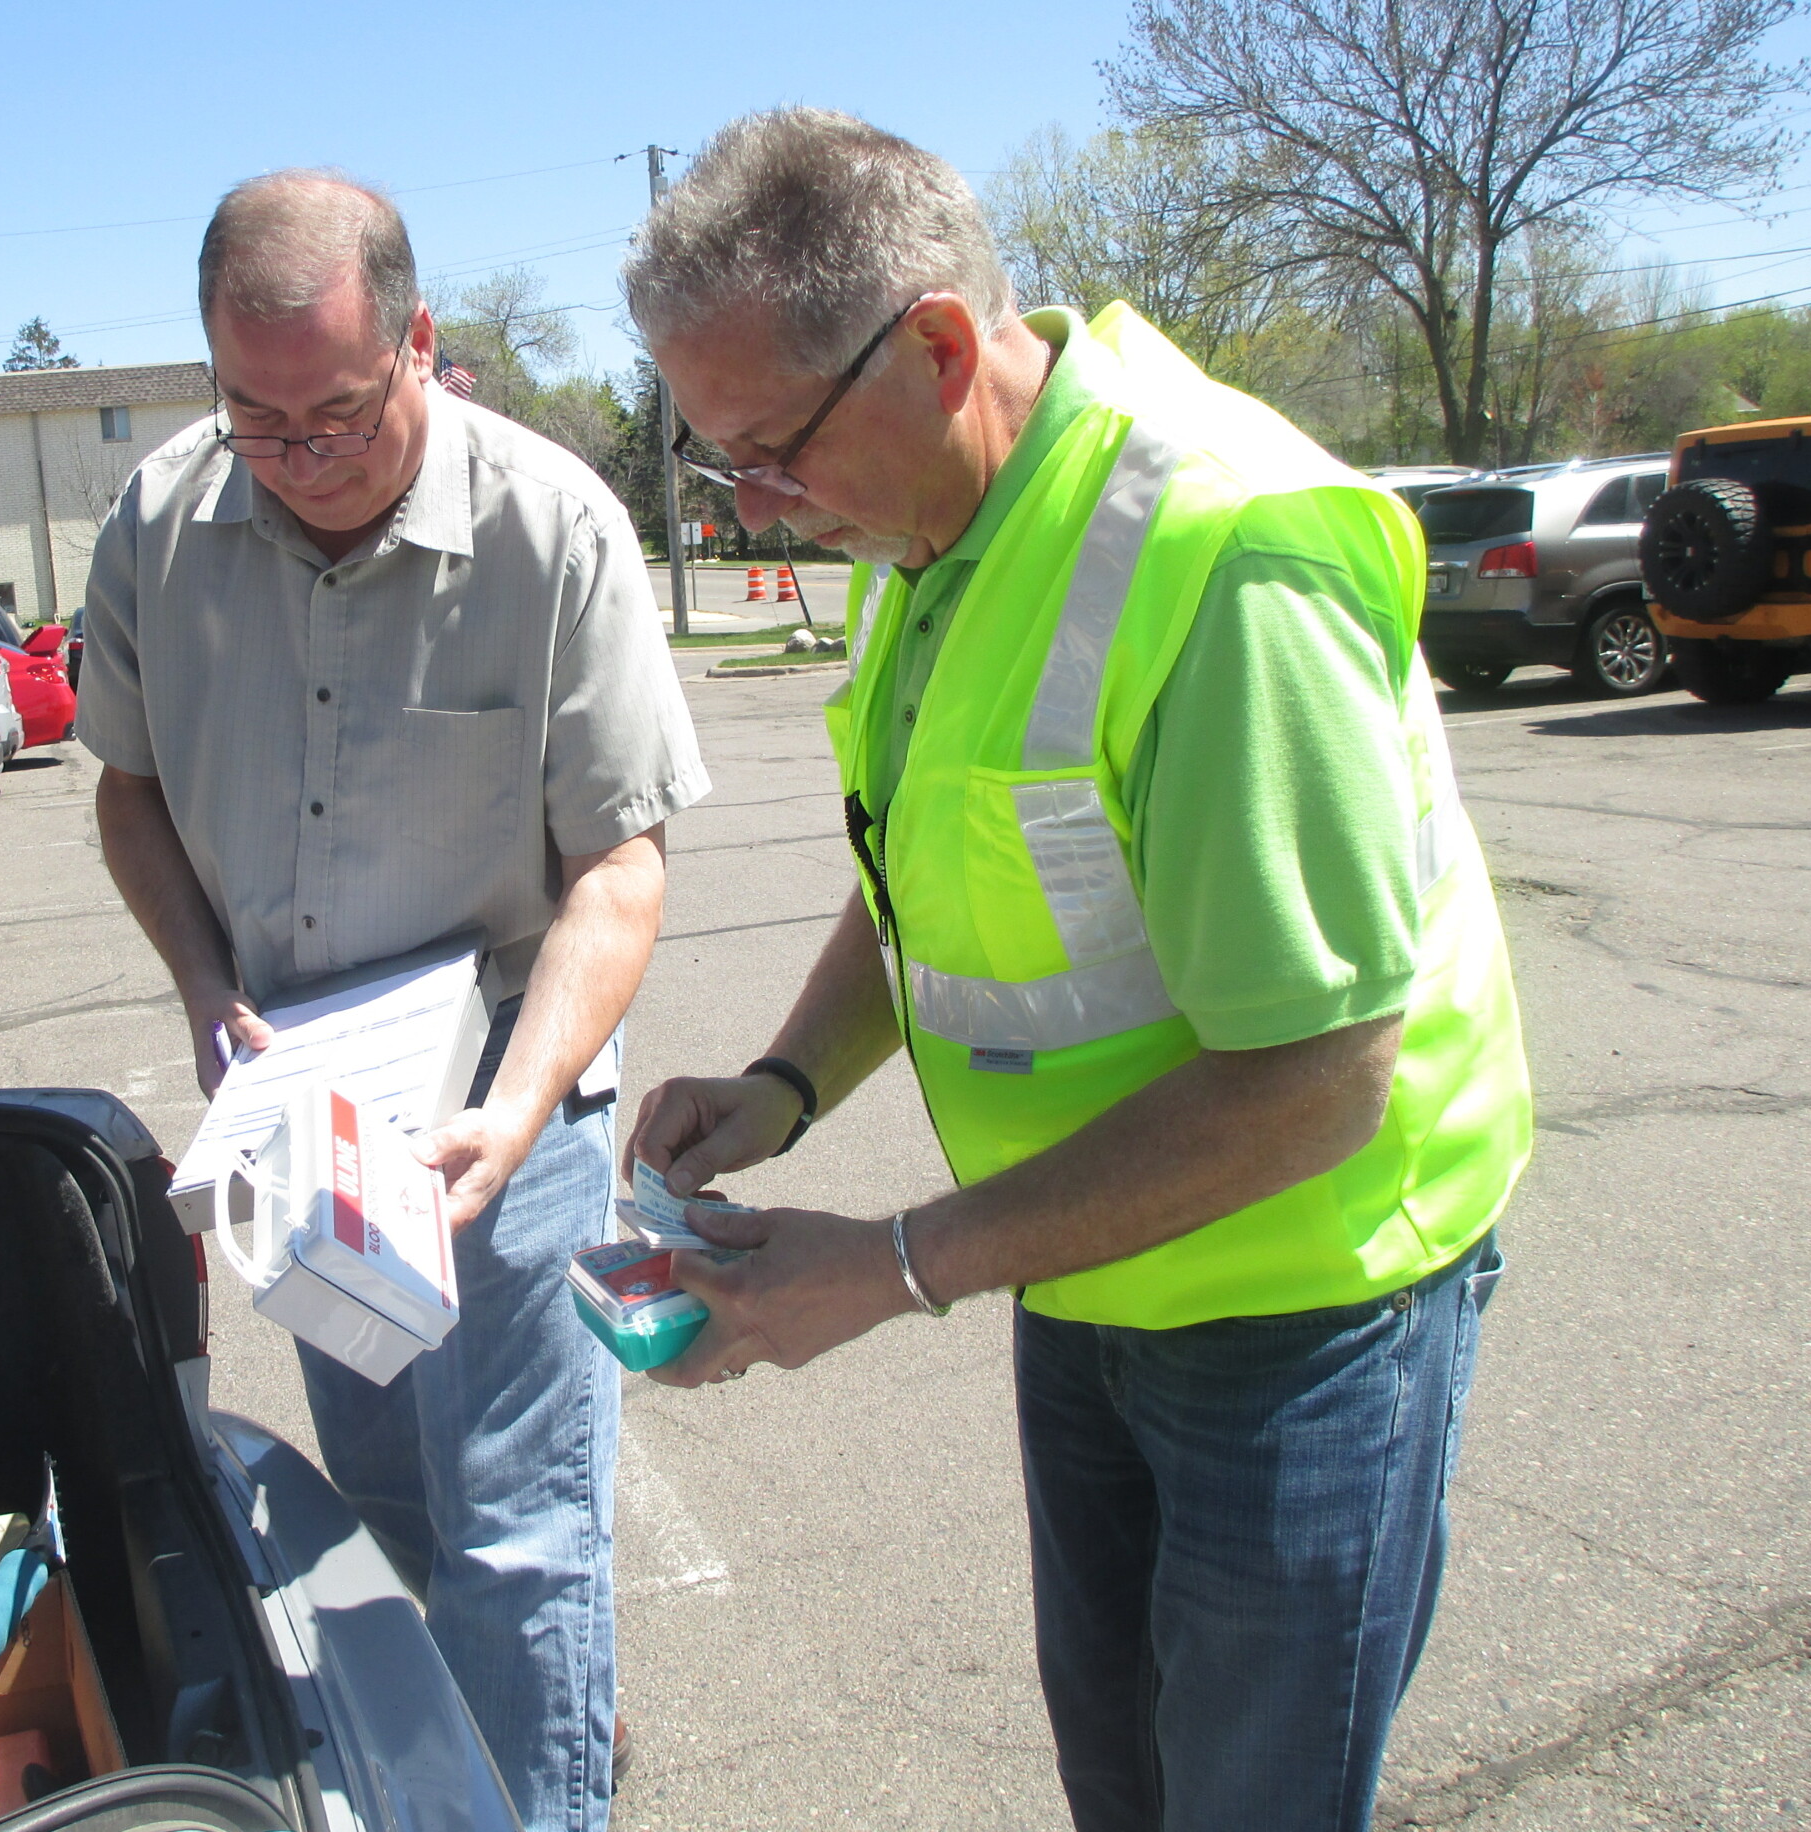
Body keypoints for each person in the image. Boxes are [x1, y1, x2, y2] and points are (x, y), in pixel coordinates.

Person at [620, 108, 1530, 1832]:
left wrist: (888, 1265)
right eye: (716, 461)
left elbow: (1318, 1082)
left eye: (770, 451)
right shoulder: (938, 529)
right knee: (1126, 1788)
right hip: (1091, 1272)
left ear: (941, 349)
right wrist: (786, 1084)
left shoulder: (1223, 552)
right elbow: (932, 892)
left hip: (1301, 1310)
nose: (758, 505)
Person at [77, 169, 707, 1831]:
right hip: (300, 1100)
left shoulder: (555, 525)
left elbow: (620, 871)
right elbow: (126, 790)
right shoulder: (159, 517)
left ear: (420, 343)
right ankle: (515, 1728)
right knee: (377, 1492)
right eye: (255, 417)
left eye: (339, 413)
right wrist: (208, 991)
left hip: (511, 1099)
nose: (298, 457)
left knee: (517, 1528)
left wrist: (515, 1104)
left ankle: (540, 1782)